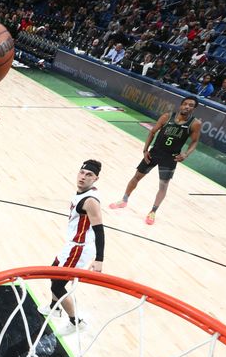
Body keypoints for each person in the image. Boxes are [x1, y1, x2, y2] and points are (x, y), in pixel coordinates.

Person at [109, 97, 202, 225]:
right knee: (136, 177)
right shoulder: (166, 116)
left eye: (190, 105)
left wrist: (186, 154)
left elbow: (194, 141)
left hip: (171, 157)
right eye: (185, 104)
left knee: (163, 185)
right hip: (155, 152)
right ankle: (124, 200)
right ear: (180, 105)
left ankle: (153, 211)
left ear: (194, 108)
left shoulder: (195, 123)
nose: (187, 106)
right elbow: (152, 132)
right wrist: (145, 149)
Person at [40, 160, 104, 334]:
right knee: (52, 271)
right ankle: (56, 307)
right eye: (82, 172)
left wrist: (99, 260)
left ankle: (76, 322)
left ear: (95, 178)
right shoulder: (81, 193)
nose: (83, 177)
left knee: (57, 286)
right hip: (72, 245)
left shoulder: (90, 201)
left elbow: (100, 231)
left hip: (79, 248)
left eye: (89, 175)